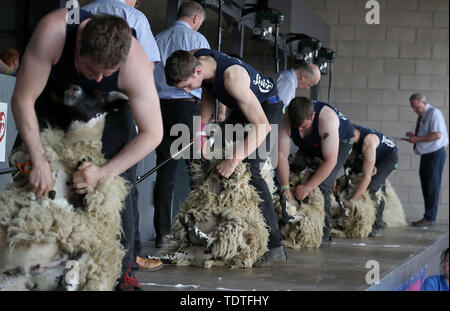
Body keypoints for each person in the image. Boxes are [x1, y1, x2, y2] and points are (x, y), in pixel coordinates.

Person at [11, 10, 163, 291]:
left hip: (108, 109)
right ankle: (23, 260)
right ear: (79, 44)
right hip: (52, 98)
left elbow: (153, 133)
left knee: (115, 189)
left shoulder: (135, 64)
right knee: (32, 176)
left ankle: (119, 273)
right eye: (93, 70)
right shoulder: (54, 32)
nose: (99, 77)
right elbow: (22, 98)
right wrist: (39, 157)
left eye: (108, 72)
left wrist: (103, 172)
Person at [165, 48, 287, 266]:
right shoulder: (196, 60)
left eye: (186, 86)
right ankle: (212, 229)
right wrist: (201, 134)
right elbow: (207, 94)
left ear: (197, 71)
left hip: (267, 110)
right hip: (241, 108)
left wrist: (233, 161)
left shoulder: (233, 78)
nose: (185, 92)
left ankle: (276, 246)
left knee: (250, 168)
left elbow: (263, 126)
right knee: (214, 157)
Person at [82, 0, 163, 275]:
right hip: (117, 101)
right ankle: (127, 262)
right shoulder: (134, 16)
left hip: (78, 97)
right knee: (124, 185)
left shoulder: (86, 9)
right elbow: (147, 69)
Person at [152, 1, 210, 249]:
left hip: (160, 108)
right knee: (197, 170)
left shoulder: (158, 38)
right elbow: (205, 80)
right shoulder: (198, 41)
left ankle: (162, 233)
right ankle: (199, 231)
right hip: (188, 107)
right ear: (196, 18)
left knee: (165, 171)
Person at [277, 96, 354, 245]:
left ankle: (323, 234)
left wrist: (308, 187)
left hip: (341, 142)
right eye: (296, 127)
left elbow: (330, 161)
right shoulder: (287, 119)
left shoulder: (327, 120)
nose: (299, 130)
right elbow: (281, 155)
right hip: (311, 142)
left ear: (312, 116)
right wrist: (285, 186)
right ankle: (293, 226)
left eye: (303, 126)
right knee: (294, 171)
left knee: (323, 184)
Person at [344, 124, 398, 237]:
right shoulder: (351, 132)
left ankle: (377, 226)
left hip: (388, 158)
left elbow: (366, 177)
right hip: (374, 155)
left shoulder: (368, 142)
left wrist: (352, 201)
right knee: (354, 171)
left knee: (373, 188)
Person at [405, 93, 448, 227]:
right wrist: (415, 136)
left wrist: (417, 139)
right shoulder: (424, 115)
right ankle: (428, 216)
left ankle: (430, 217)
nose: (415, 111)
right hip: (427, 153)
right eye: (413, 108)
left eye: (417, 107)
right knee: (426, 185)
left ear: (424, 103)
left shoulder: (434, 113)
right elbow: (429, 134)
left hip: (435, 154)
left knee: (432, 185)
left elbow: (437, 135)